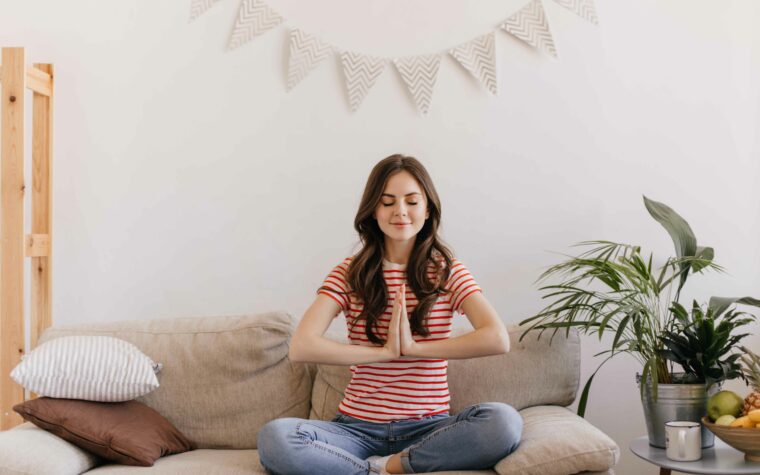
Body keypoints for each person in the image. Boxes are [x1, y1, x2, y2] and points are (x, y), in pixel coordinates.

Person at [257, 154, 522, 474]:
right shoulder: (349, 273)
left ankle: (395, 465)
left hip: (429, 429)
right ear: (373, 210)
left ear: (428, 210)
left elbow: (496, 338)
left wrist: (414, 349)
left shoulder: (446, 271)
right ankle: (372, 470)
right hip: (355, 429)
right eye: (387, 202)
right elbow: (302, 346)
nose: (400, 211)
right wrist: (382, 353)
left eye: (412, 201)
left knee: (503, 422)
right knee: (277, 438)